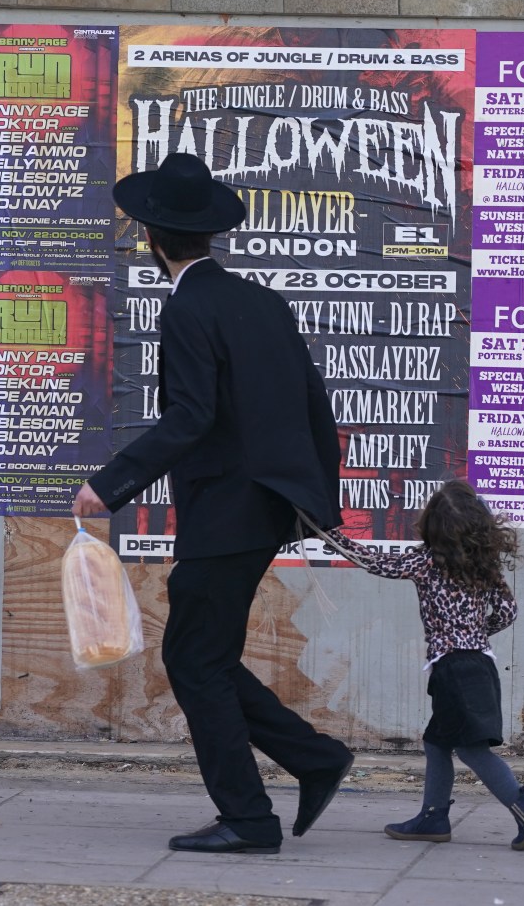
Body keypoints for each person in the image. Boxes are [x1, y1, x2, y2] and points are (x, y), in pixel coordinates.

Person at [72, 152, 353, 855]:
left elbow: (190, 417)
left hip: (224, 513)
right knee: (205, 654)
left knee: (195, 660)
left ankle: (251, 817)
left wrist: (109, 483)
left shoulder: (190, 307)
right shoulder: (261, 301)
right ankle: (315, 758)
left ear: (151, 238)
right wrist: (319, 499)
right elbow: (316, 406)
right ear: (207, 234)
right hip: (263, 510)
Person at [319, 478, 524, 851]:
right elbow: (508, 612)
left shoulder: (426, 561)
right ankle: (433, 816)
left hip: (452, 669)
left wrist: (330, 534)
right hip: (480, 664)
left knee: (472, 749)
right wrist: (475, 634)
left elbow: (374, 561)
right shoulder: (484, 566)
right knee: (437, 741)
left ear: (433, 525)